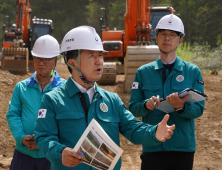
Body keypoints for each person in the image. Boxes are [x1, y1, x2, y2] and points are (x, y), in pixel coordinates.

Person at [34, 26, 176, 170]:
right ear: (72, 62)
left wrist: (154, 132)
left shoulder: (112, 100)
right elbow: (43, 137)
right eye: (91, 55)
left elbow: (132, 127)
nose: (99, 61)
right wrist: (60, 152)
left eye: (100, 55)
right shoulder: (52, 100)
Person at [129, 14, 205, 170]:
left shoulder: (193, 72)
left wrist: (181, 107)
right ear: (156, 38)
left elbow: (198, 109)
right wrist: (146, 105)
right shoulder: (143, 72)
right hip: (153, 146)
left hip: (182, 149)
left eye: (172, 35)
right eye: (163, 34)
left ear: (180, 40)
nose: (167, 39)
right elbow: (133, 107)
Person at [6, 35, 66, 170]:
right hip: (23, 154)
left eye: (46, 59)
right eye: (38, 58)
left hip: (51, 156)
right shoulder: (21, 87)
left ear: (55, 60)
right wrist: (21, 137)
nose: (41, 63)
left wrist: (45, 143)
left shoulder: (65, 90)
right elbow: (13, 114)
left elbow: (67, 122)